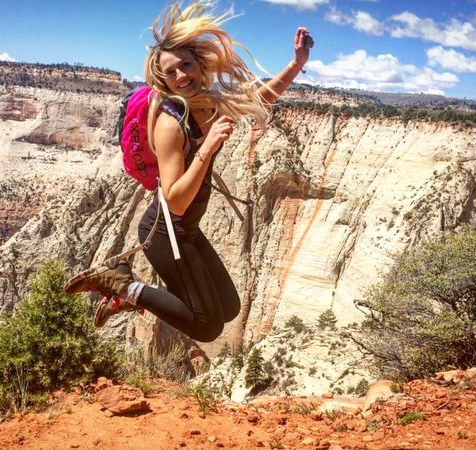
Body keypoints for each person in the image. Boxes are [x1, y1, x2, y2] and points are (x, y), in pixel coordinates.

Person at [64, 1, 313, 342]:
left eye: (186, 65)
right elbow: (174, 200)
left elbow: (258, 98)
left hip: (187, 229)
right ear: (162, 78)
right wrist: (207, 149)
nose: (181, 76)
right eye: (171, 72)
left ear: (200, 64)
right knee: (207, 327)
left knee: (228, 309)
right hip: (166, 231)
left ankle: (127, 286)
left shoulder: (208, 102)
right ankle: (121, 284)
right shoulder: (169, 123)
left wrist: (296, 64)